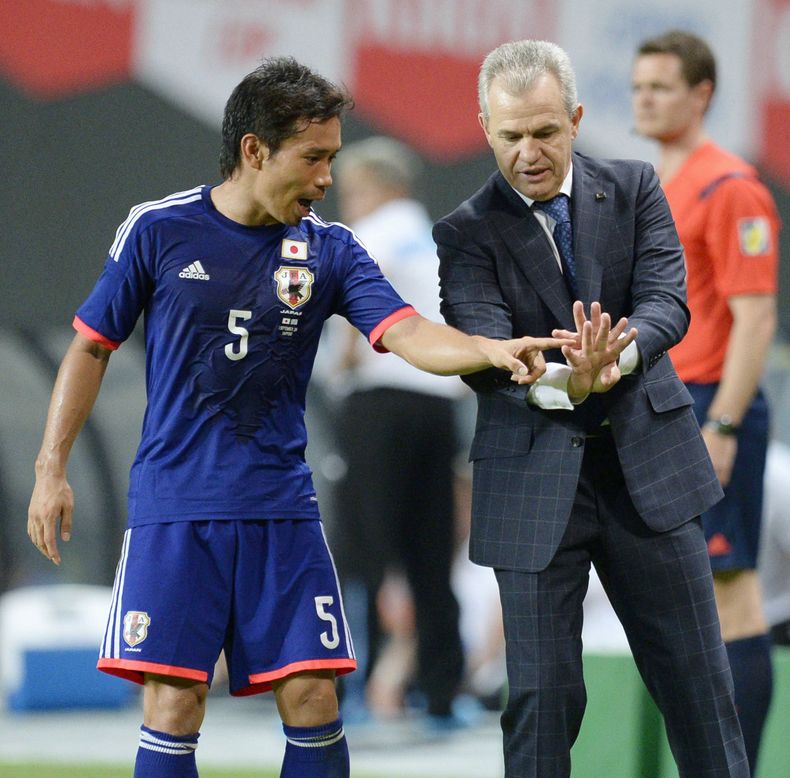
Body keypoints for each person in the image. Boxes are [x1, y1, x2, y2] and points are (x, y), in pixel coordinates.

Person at [26, 56, 568, 778]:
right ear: (254, 150)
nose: (326, 178)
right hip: (177, 507)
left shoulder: (330, 249)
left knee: (314, 695)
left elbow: (406, 332)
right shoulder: (158, 230)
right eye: (313, 157)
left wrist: (485, 351)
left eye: (334, 159)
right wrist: (50, 468)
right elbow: (90, 349)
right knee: (175, 704)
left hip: (281, 507)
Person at [433, 39, 749, 778]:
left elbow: (669, 301)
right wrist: (567, 384)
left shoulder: (635, 187)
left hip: (651, 473)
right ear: (486, 130)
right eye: (511, 136)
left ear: (575, 119)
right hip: (532, 487)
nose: (529, 152)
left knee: (701, 691)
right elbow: (486, 349)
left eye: (545, 132)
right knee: (543, 700)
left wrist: (618, 357)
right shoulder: (464, 233)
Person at [632, 30, 780, 773]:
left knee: (732, 596)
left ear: (701, 95)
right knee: (687, 603)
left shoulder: (732, 187)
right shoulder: (658, 182)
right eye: (638, 87)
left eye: (661, 86)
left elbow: (757, 316)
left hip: (709, 406)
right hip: (666, 405)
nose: (645, 99)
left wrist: (723, 422)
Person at [327, 136, 466, 727]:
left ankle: (348, 689)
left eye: (353, 191)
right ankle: (441, 694)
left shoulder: (373, 232)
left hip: (380, 402)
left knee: (362, 549)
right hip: (439, 403)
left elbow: (363, 289)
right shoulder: (437, 241)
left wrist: (347, 358)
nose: (346, 204)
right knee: (431, 557)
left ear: (380, 187)